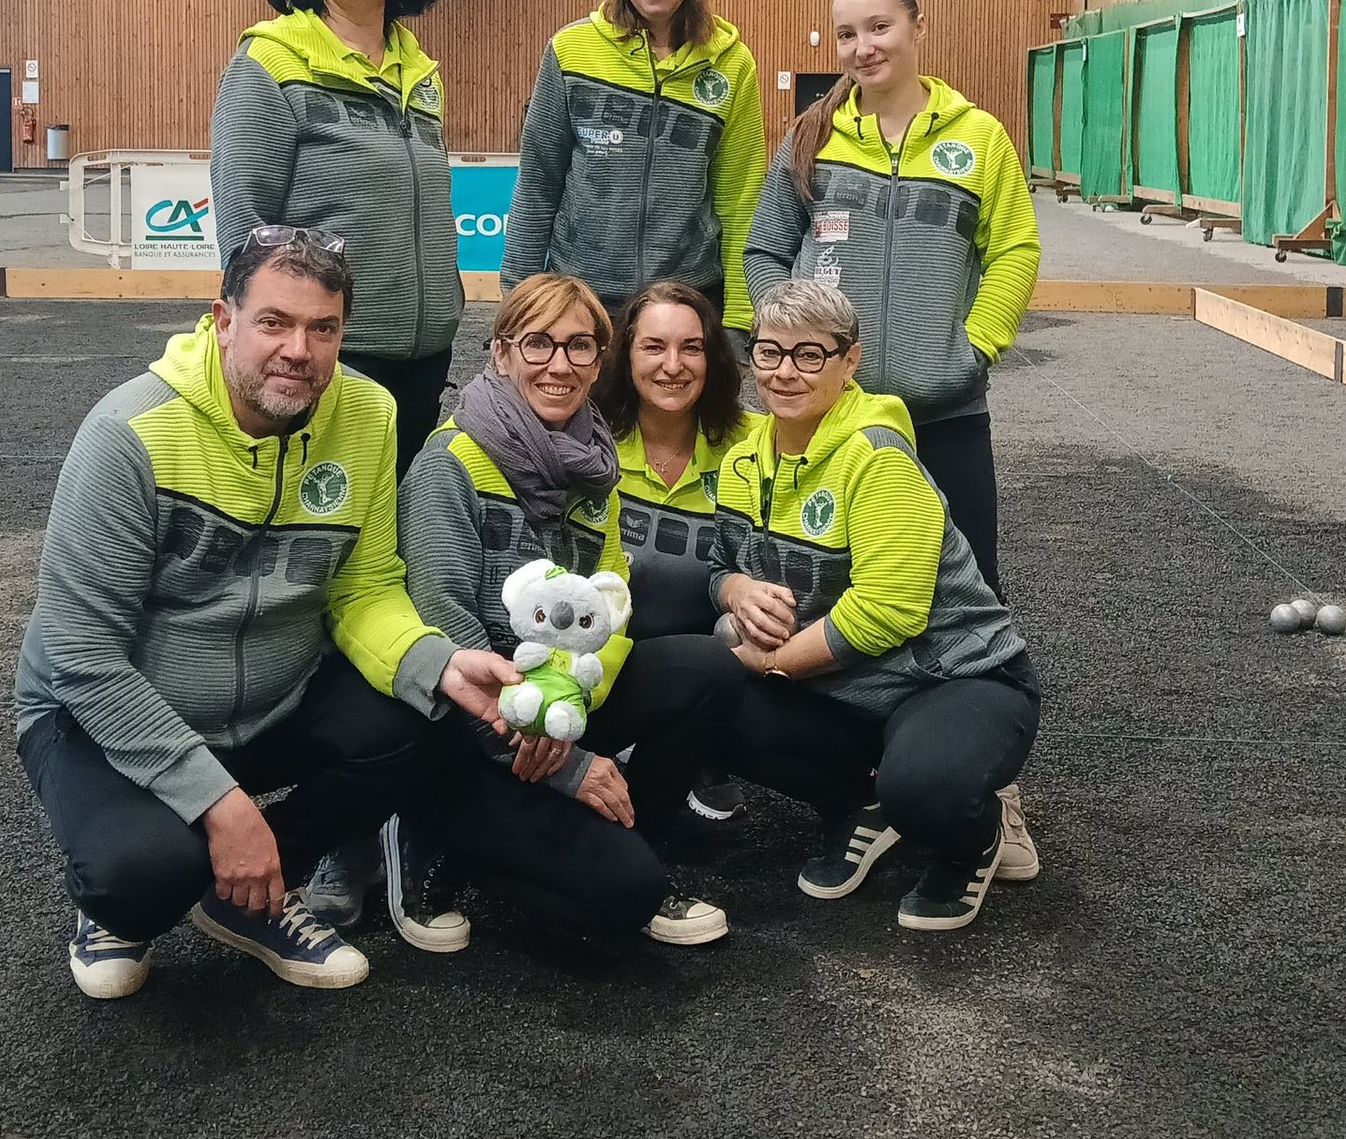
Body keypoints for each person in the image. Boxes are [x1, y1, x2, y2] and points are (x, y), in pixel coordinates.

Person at [13, 227, 516, 999]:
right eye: (274, 322)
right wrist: (218, 803)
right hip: (101, 717)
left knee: (435, 709)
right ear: (223, 320)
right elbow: (83, 656)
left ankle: (246, 896)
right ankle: (135, 898)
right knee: (140, 876)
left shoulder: (369, 415)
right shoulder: (128, 434)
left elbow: (366, 586)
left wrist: (439, 661)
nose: (299, 350)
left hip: (272, 704)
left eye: (324, 329)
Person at [394, 272, 740, 948]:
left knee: (709, 669)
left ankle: (624, 828)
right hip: (466, 727)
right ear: (500, 353)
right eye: (539, 344)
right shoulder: (451, 464)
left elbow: (611, 604)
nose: (561, 364)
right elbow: (446, 632)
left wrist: (570, 706)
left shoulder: (592, 464)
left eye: (581, 347)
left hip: (555, 704)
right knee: (621, 898)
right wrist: (566, 759)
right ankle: (428, 830)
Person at [710, 280, 1042, 933]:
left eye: (810, 355)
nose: (784, 372)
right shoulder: (743, 461)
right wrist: (732, 593)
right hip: (843, 687)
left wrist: (768, 663)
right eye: (769, 352)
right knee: (700, 687)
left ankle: (970, 842)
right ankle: (860, 805)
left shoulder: (879, 459)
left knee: (925, 786)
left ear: (850, 361)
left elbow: (885, 613)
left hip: (951, 677)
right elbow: (726, 565)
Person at [744, 0, 1040, 600]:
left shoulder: (980, 137)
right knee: (829, 583)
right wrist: (792, 350)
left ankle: (970, 691)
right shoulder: (809, 138)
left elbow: (1014, 249)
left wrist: (975, 347)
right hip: (831, 418)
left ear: (918, 26)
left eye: (880, 27)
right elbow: (765, 250)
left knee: (968, 587)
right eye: (847, 34)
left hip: (945, 412)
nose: (863, 47)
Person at [211, 0, 461, 472]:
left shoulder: (420, 72)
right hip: (328, 354)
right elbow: (245, 225)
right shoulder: (271, 63)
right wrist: (276, 340)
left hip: (426, 354)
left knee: (391, 533)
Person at [502, 0, 765, 335]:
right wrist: (517, 302)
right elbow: (537, 184)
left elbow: (741, 200)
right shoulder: (571, 51)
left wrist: (740, 321)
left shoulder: (732, 64)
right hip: (583, 299)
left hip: (690, 304)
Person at [594, 280, 750, 820]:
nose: (673, 365)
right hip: (607, 655)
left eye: (692, 347)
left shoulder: (751, 443)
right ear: (624, 354)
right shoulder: (586, 440)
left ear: (713, 357)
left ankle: (706, 753)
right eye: (653, 347)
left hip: (711, 652)